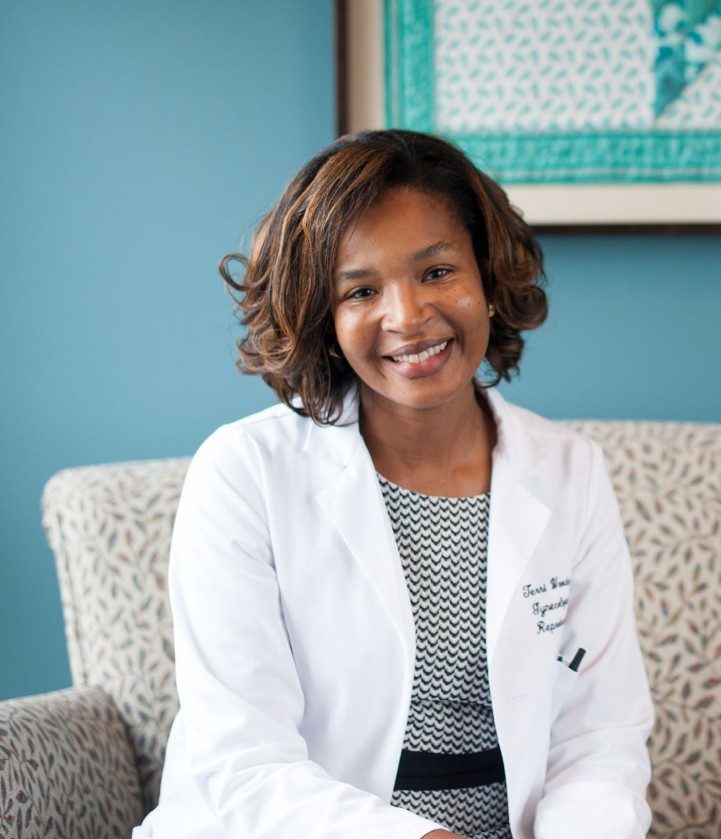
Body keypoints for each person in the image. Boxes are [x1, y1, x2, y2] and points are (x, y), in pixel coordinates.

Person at [134, 130, 653, 839]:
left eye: (436, 271)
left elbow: (598, 738)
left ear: (487, 277)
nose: (407, 317)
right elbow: (246, 759)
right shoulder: (243, 471)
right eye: (361, 290)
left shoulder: (570, 471)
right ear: (325, 320)